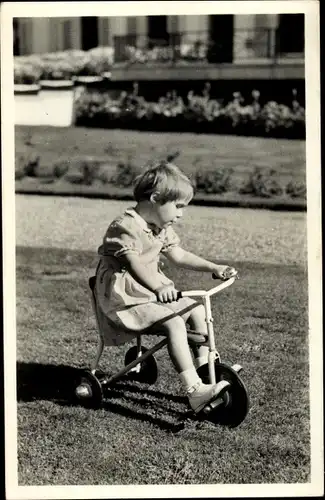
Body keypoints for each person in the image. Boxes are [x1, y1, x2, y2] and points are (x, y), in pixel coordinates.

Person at [95, 162, 238, 413]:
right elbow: (134, 263)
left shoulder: (161, 228)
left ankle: (205, 369)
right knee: (174, 322)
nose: (181, 214)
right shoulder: (125, 227)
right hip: (124, 299)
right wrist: (157, 287)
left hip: (148, 293)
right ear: (155, 198)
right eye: (178, 206)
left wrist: (213, 267)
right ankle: (195, 391)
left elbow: (179, 255)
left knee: (196, 310)